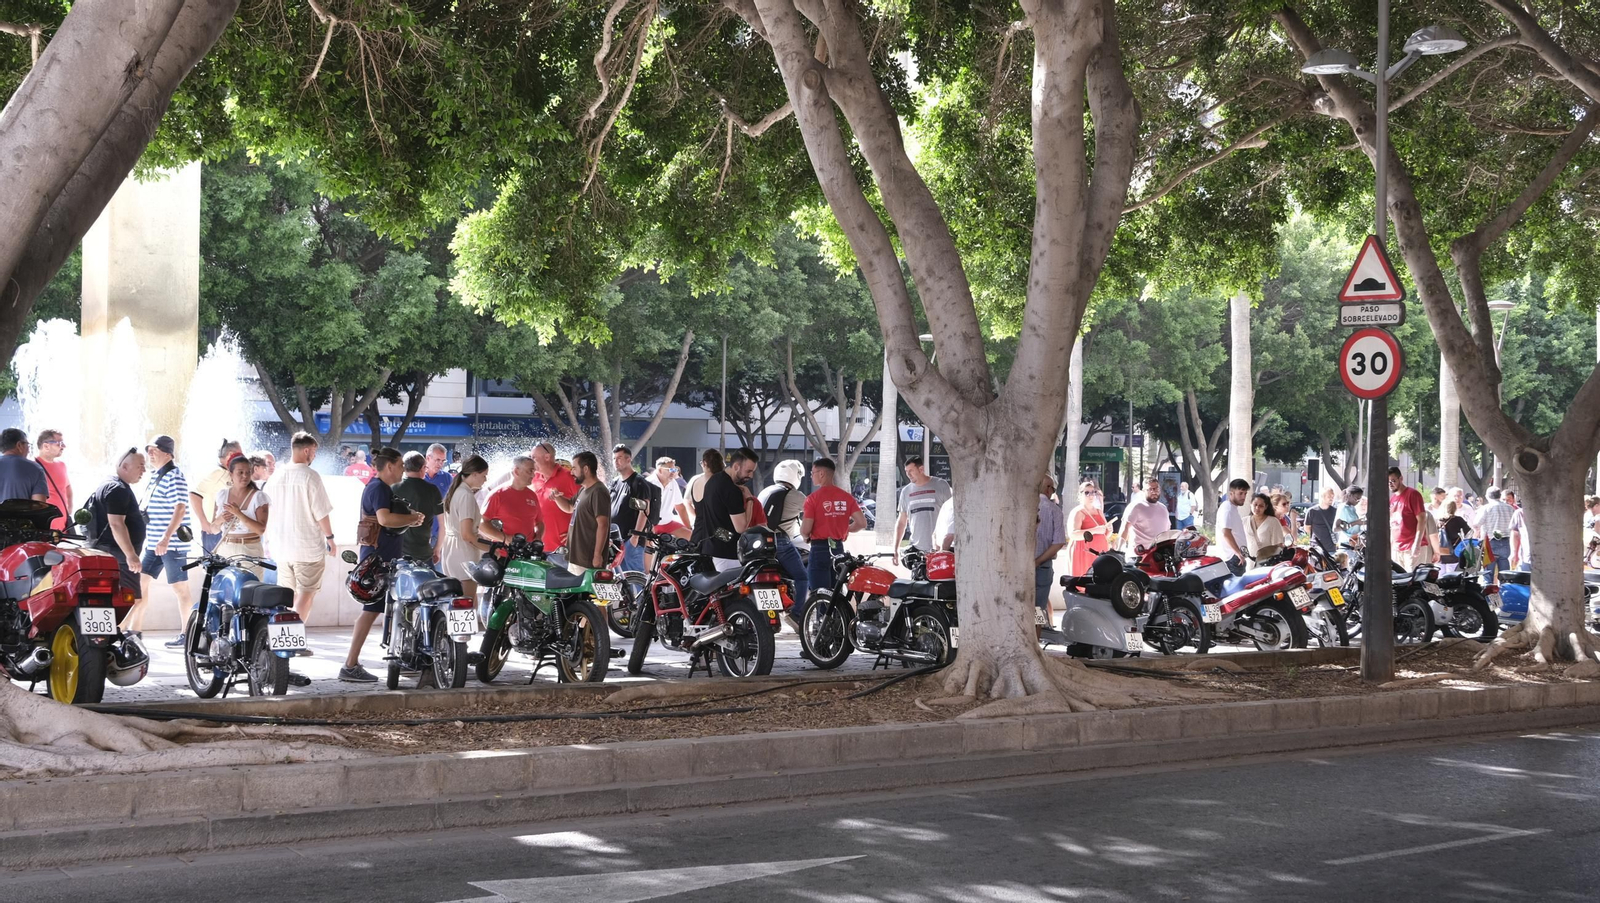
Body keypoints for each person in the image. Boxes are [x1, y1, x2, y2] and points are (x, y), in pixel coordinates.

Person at [343, 447, 425, 682]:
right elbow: (384, 519)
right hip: (378, 561)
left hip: (381, 559)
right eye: (400, 465)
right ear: (389, 466)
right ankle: (350, 664)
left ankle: (400, 657)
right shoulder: (378, 488)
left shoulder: (378, 487)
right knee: (370, 612)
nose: (402, 470)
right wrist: (412, 518)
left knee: (382, 610)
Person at [263, 432, 338, 625]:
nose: (314, 456)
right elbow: (321, 513)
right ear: (306, 450)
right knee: (306, 592)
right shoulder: (310, 476)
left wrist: (268, 541)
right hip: (307, 548)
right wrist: (330, 538)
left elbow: (265, 511)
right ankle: (293, 634)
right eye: (313, 452)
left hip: (281, 547)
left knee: (288, 595)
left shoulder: (275, 476)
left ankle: (283, 635)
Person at [134, 435, 192, 646]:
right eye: (148, 449)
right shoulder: (155, 475)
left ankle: (187, 633)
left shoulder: (174, 476)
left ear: (168, 453)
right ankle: (135, 630)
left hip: (171, 544)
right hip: (154, 543)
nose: (150, 452)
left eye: (154, 449)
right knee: (140, 583)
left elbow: (180, 508)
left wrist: (166, 538)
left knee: (180, 588)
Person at [799, 457, 864, 623]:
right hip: (838, 550)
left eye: (813, 473)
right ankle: (837, 635)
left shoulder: (813, 499)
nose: (811, 476)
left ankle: (821, 640)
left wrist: (806, 535)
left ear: (822, 474)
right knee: (836, 596)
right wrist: (843, 529)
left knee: (820, 596)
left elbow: (805, 529)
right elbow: (861, 523)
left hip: (819, 548)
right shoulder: (846, 497)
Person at [95, 449, 147, 633]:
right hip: (118, 555)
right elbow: (116, 524)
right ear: (125, 466)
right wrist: (131, 555)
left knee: (116, 599)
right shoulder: (118, 489)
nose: (144, 470)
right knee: (132, 599)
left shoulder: (111, 484)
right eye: (140, 466)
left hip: (109, 552)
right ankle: (115, 635)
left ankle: (110, 636)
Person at [759, 459, 809, 629]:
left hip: (758, 542)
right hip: (779, 541)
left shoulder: (766, 491)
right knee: (802, 577)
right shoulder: (796, 495)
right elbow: (813, 512)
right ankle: (796, 614)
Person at [438, 455, 491, 598]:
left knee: (456, 603)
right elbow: (467, 534)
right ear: (474, 474)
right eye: (484, 475)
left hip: (450, 550)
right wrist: (490, 549)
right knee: (466, 605)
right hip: (463, 553)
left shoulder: (456, 491)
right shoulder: (465, 494)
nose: (485, 479)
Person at [688, 448, 747, 570]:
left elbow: (688, 504)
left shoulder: (696, 481)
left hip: (698, 532)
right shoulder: (723, 483)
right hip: (719, 532)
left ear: (704, 464)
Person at [213, 454, 270, 577]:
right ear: (231, 474)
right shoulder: (222, 495)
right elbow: (212, 529)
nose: (245, 476)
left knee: (249, 591)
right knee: (224, 592)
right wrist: (220, 519)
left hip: (250, 550)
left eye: (247, 472)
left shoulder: (259, 497)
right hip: (225, 550)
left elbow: (261, 529)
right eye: (240, 472)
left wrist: (238, 514)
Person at [891, 455, 952, 563]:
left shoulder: (941, 485)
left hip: (940, 549)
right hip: (917, 551)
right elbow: (901, 522)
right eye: (906, 471)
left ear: (921, 469)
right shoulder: (905, 492)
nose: (908, 474)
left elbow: (952, 514)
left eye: (911, 471)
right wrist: (895, 548)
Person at [190, 439, 242, 556]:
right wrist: (204, 522)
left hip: (225, 531)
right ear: (230, 455)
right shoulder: (217, 472)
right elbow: (194, 495)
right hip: (215, 532)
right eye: (240, 454)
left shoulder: (228, 473)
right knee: (215, 570)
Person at [391, 451, 444, 563]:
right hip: (422, 553)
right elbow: (443, 523)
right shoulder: (432, 490)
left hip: (397, 552)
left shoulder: (393, 488)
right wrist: (437, 549)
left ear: (404, 468)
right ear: (423, 468)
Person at [608, 444, 654, 571]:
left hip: (630, 540)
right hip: (615, 540)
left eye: (619, 458)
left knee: (635, 576)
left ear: (629, 459)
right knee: (619, 578)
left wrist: (635, 536)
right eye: (614, 458)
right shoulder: (615, 482)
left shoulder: (639, 482)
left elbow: (644, 510)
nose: (615, 462)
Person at [566, 451, 612, 574]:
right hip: (576, 558)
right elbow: (570, 506)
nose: (572, 472)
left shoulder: (598, 491)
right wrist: (556, 497)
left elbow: (603, 525)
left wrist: (597, 554)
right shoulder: (584, 489)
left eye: (574, 468)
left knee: (584, 593)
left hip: (587, 559)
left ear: (585, 469)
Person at [481, 455, 544, 545]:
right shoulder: (497, 494)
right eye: (530, 471)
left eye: (534, 471)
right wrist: (506, 538)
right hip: (503, 554)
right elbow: (482, 524)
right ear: (516, 471)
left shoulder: (532, 495)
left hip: (527, 554)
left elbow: (540, 522)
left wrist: (538, 538)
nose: (533, 475)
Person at [530, 441, 580, 548]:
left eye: (534, 457)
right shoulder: (533, 478)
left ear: (547, 457)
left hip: (564, 549)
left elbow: (590, 507)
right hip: (539, 548)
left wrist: (577, 533)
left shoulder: (569, 477)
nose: (531, 461)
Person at [1035, 474, 1067, 624]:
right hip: (1043, 567)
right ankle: (1036, 641)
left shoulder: (1022, 508)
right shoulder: (1054, 510)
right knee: (1038, 610)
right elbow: (1059, 542)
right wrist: (1038, 561)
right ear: (1048, 489)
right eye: (1052, 489)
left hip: (1019, 567)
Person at [1066, 481, 1111, 575]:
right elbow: (1073, 534)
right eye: (1087, 493)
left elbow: (1104, 534)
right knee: (1083, 583)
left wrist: (1109, 530)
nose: (1091, 496)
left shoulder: (1099, 511)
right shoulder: (1078, 512)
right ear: (1080, 495)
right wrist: (1094, 530)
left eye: (1093, 492)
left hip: (1099, 553)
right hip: (1083, 553)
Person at [1388, 467, 1427, 570]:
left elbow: (1422, 519)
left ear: (1401, 479)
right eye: (1387, 482)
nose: (1390, 484)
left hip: (1411, 546)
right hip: (1397, 548)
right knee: (1399, 582)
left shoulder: (1412, 494)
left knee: (1412, 581)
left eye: (1393, 480)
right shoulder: (1392, 499)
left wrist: (1417, 544)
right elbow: (1393, 525)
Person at [1121, 478, 1172, 554]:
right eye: (1150, 489)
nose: (1154, 492)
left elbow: (1167, 530)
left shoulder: (1163, 508)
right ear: (1144, 490)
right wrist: (1119, 549)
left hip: (1158, 554)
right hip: (1139, 555)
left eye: (1156, 489)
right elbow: (1125, 527)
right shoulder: (1137, 506)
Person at [33, 429, 71, 530]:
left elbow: (67, 488)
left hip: (64, 527)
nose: (63, 446)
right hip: (44, 528)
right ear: (46, 446)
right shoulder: (32, 467)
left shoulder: (62, 465)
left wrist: (69, 511)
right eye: (59, 443)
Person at [0, 428, 48, 503]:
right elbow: (39, 505)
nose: (29, 450)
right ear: (19, 445)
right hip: (21, 515)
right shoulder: (35, 469)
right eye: (27, 444)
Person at [649, 457, 691, 540]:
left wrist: (689, 528)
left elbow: (680, 507)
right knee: (650, 549)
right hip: (650, 525)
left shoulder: (673, 483)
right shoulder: (648, 483)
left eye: (674, 470)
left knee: (692, 537)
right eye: (670, 470)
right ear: (660, 470)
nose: (673, 473)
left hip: (668, 523)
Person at [1476, 487, 1515, 575]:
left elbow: (1476, 524)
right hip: (1506, 541)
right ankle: (1504, 587)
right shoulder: (1510, 508)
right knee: (1505, 573)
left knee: (1488, 573)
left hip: (1490, 541)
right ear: (1500, 495)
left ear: (1487, 496)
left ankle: (1488, 587)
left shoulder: (1485, 508)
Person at [1217, 478, 1251, 571]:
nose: (1243, 496)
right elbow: (1226, 533)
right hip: (1233, 558)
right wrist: (1238, 553)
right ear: (1231, 493)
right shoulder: (1228, 509)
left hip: (1235, 557)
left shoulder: (1231, 508)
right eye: (1240, 493)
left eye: (1245, 494)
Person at [1245, 492, 1286, 564]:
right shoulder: (1244, 521)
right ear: (1251, 504)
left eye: (1261, 506)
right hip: (1249, 562)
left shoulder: (1273, 521)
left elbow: (1278, 545)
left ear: (1266, 507)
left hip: (1267, 562)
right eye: (1255, 505)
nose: (1257, 508)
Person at [1438, 500, 1472, 574]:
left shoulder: (1438, 520)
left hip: (1440, 551)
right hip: (1454, 550)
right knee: (1452, 574)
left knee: (1440, 575)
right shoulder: (1458, 520)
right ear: (1454, 508)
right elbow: (1469, 532)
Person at [1302, 487, 1339, 555]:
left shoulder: (1335, 511)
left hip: (1331, 549)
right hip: (1316, 548)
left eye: (1332, 496)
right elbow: (1307, 528)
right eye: (1329, 496)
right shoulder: (1312, 511)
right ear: (1322, 496)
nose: (1331, 498)